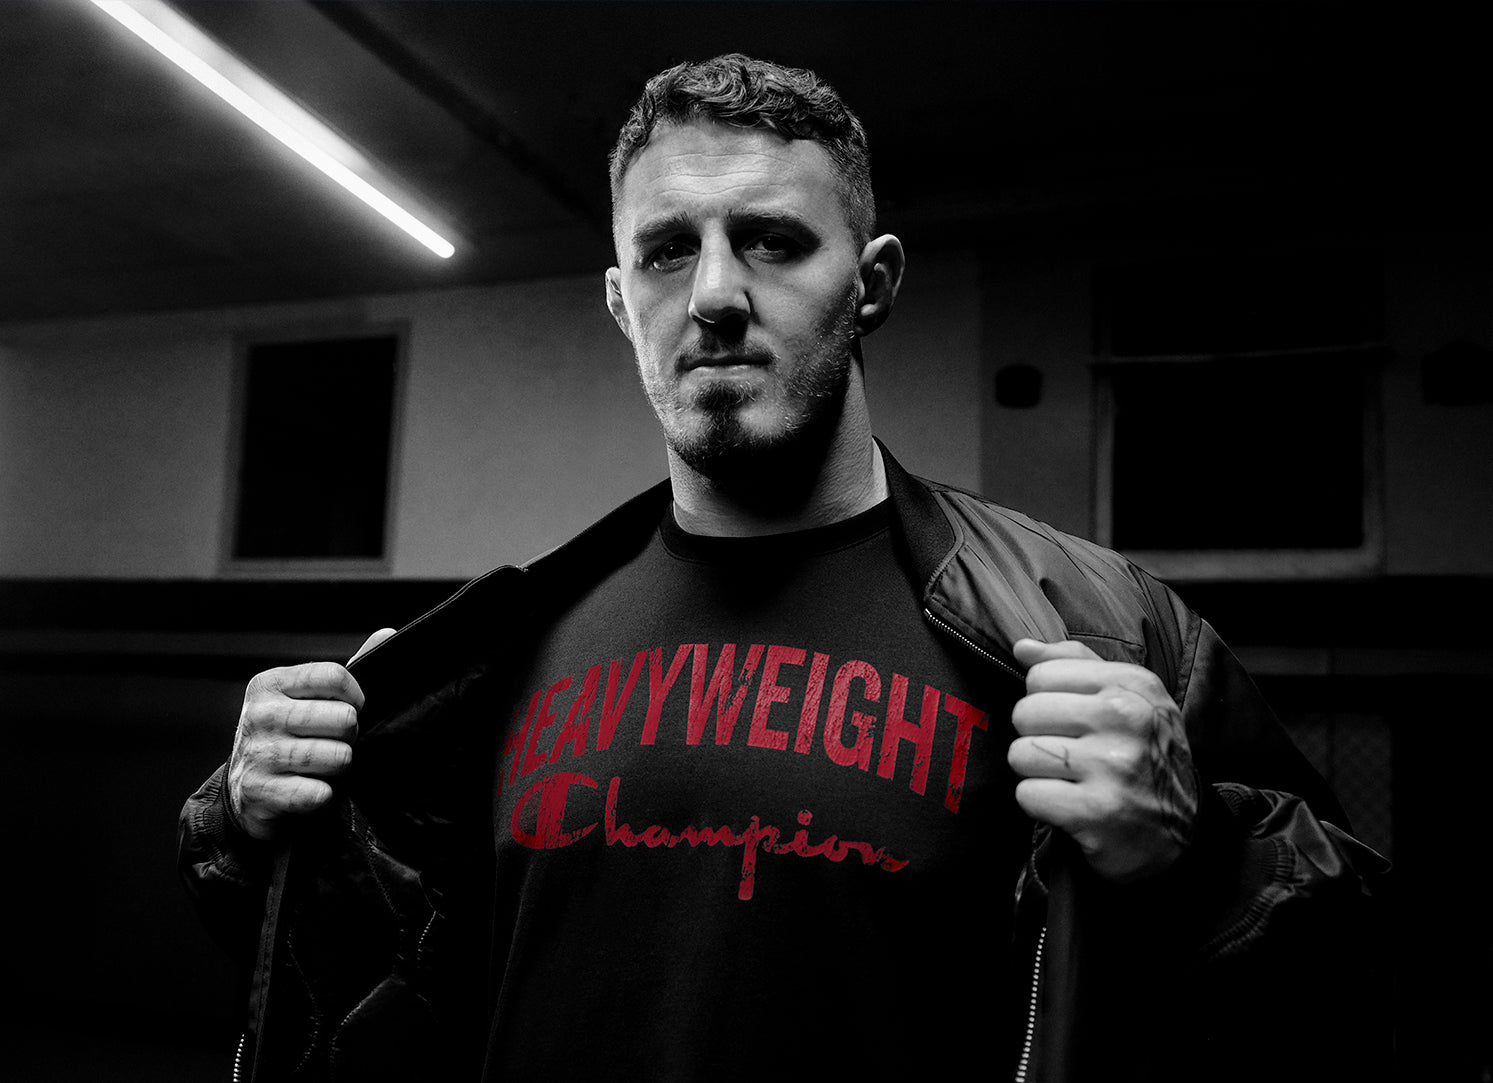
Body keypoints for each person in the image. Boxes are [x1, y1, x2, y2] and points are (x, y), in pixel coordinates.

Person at [180, 54, 1389, 1082]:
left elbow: (1367, 989)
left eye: (768, 240)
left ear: (868, 285)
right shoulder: (489, 659)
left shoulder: (1096, 626)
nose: (712, 295)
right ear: (618, 301)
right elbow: (344, 982)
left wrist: (1196, 858)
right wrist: (255, 820)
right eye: (665, 251)